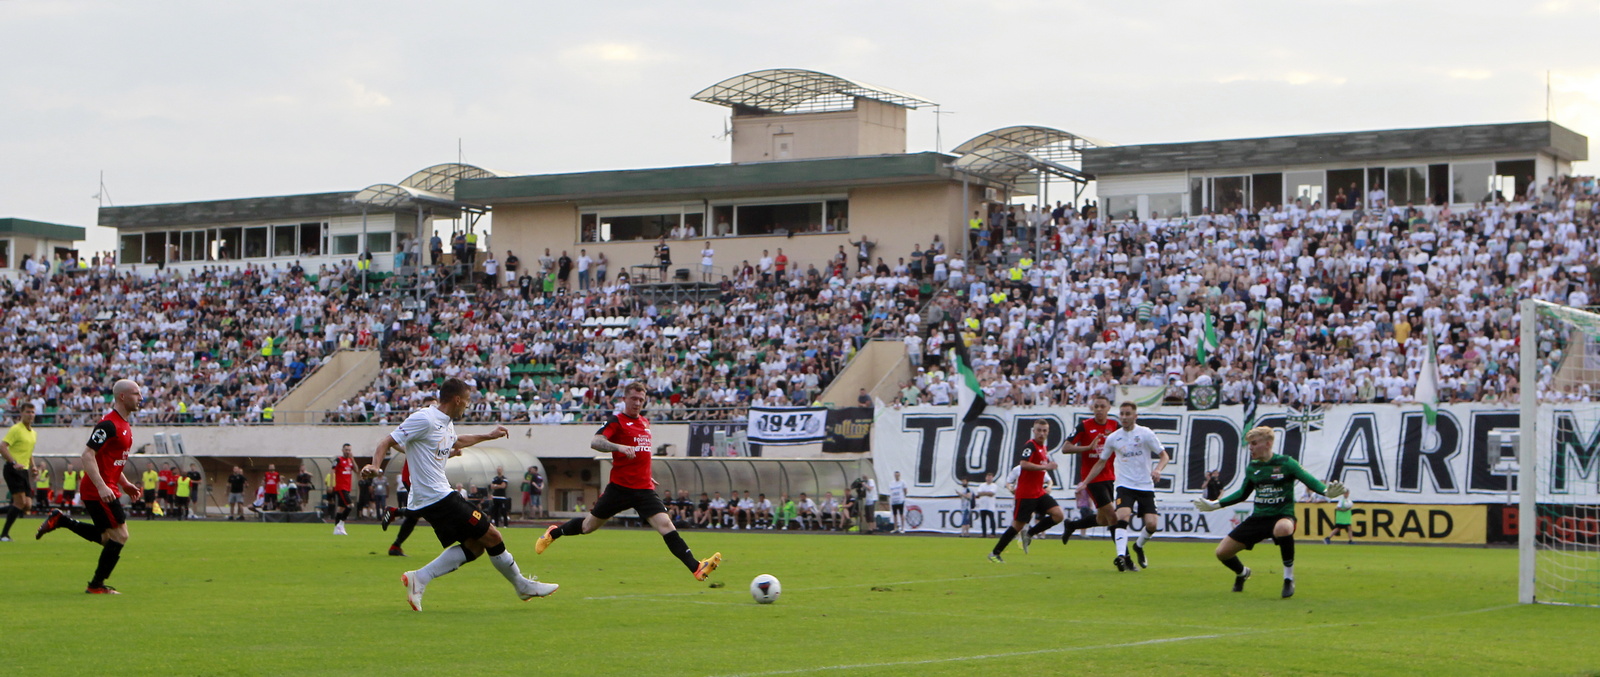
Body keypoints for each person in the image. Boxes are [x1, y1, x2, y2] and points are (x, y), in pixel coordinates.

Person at [363, 378, 557, 611]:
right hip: (437, 497)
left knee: (476, 546)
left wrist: (488, 435)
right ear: (457, 400)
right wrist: (375, 466)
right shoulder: (425, 417)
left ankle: (419, 578)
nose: (467, 406)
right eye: (466, 401)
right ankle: (522, 585)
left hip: (435, 497)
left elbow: (458, 440)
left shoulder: (446, 423)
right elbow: (387, 440)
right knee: (493, 536)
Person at [535, 382, 722, 581]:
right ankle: (554, 533)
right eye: (634, 398)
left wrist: (645, 475)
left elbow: (641, 455)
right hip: (620, 489)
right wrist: (619, 447)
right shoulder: (617, 421)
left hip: (643, 489)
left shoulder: (645, 423)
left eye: (641, 400)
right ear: (624, 399)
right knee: (588, 527)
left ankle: (696, 567)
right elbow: (595, 441)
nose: (637, 403)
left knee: (666, 526)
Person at [1196, 426, 1347, 598]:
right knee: (1222, 553)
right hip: (1259, 518)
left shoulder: (1286, 463)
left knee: (1282, 528)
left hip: (1283, 515)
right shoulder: (1253, 467)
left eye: (1253, 443)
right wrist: (1216, 505)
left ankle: (1288, 578)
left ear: (1267, 444)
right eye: (1249, 444)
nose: (1250, 448)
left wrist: (1326, 492)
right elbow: (1242, 494)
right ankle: (1243, 573)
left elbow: (1309, 480)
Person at [35, 379, 143, 594]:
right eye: (136, 394)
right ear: (122, 396)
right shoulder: (108, 424)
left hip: (109, 486)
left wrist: (125, 483)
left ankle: (62, 520)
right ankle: (96, 585)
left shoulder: (125, 425)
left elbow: (112, 461)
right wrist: (103, 487)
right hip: (99, 490)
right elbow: (87, 455)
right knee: (120, 536)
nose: (140, 398)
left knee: (107, 539)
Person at [1078, 401, 1170, 572]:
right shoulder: (1114, 437)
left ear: (1135, 416)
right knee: (1122, 516)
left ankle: (1138, 546)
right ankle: (1121, 556)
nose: (1125, 417)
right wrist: (1086, 482)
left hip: (1145, 485)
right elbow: (1101, 462)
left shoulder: (1145, 433)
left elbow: (1164, 456)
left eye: (1128, 414)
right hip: (1124, 485)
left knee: (1152, 525)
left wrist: (1157, 469)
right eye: (1122, 414)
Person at [988, 419, 1066, 562]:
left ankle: (1029, 533)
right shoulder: (1030, 445)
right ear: (1034, 431)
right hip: (1026, 493)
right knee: (1017, 526)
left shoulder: (1043, 448)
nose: (1041, 433)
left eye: (1044, 431)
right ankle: (995, 553)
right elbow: (1023, 464)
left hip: (1039, 492)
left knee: (1058, 515)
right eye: (1039, 430)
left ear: (1048, 432)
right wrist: (1045, 467)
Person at [1058, 395, 1120, 546]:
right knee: (1113, 516)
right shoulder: (1084, 426)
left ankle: (1072, 525)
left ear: (1108, 408)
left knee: (1102, 520)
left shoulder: (1114, 425)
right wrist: (1088, 447)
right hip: (1092, 478)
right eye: (1096, 406)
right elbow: (1065, 448)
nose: (1099, 409)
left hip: (1109, 476)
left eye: (1102, 406)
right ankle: (1124, 557)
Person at [0, 402, 38, 541]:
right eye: (27, 412)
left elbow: (29, 452)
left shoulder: (33, 433)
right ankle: (4, 535)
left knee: (27, 505)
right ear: (21, 413)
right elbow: (2, 446)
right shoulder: (16, 429)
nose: (30, 415)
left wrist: (33, 466)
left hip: (24, 471)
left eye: (32, 412)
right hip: (13, 469)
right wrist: (13, 462)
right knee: (20, 503)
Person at [331, 444, 355, 534]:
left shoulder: (350, 460)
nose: (347, 451)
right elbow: (332, 470)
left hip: (348, 487)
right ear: (342, 450)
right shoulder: (338, 460)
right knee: (350, 505)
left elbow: (356, 469)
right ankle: (341, 524)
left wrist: (353, 459)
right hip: (341, 487)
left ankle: (336, 529)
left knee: (341, 508)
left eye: (349, 450)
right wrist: (331, 484)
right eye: (346, 450)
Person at [974, 473, 998, 538]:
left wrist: (983, 493)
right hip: (983, 505)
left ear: (992, 478)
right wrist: (987, 493)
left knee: (992, 520)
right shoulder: (982, 485)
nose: (989, 479)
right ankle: (984, 533)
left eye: (990, 477)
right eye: (988, 477)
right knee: (983, 520)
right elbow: (979, 493)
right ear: (986, 478)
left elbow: (991, 494)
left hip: (990, 506)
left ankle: (993, 533)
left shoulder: (994, 485)